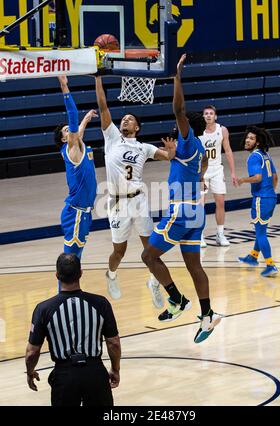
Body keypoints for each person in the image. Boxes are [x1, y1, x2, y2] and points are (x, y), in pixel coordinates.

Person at [142, 54, 221, 344]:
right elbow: (199, 171)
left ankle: (177, 299)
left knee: (148, 256)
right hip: (196, 212)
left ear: (186, 127)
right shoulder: (197, 149)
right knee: (194, 266)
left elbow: (178, 108)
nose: (176, 127)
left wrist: (177, 75)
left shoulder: (188, 139)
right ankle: (208, 314)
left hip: (182, 210)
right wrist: (175, 159)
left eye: (180, 125)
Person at [95, 76, 176, 307]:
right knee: (119, 252)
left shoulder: (144, 147)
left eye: (130, 119)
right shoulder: (111, 138)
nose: (125, 120)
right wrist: (98, 78)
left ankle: (154, 282)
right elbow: (103, 106)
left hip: (139, 201)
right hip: (117, 203)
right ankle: (111, 274)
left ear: (137, 127)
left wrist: (171, 150)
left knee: (150, 250)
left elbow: (169, 157)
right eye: (124, 119)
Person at [25, 253, 121, 407]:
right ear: (81, 273)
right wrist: (115, 369)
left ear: (57, 275)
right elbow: (113, 342)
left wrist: (30, 372)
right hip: (95, 372)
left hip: (64, 376)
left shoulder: (43, 309)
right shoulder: (101, 303)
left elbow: (32, 352)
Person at [54, 76, 98, 263]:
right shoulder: (72, 147)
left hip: (84, 212)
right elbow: (73, 116)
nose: (71, 131)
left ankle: (73, 292)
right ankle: (64, 293)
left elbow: (78, 131)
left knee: (76, 260)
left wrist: (87, 119)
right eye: (66, 131)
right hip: (76, 212)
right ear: (65, 139)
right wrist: (64, 87)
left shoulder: (76, 145)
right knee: (69, 262)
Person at [237, 126, 279, 277]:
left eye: (252, 138)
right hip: (271, 197)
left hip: (261, 199)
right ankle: (253, 256)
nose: (247, 140)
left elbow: (257, 177)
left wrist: (242, 180)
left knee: (261, 233)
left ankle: (270, 265)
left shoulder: (254, 157)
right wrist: (270, 192)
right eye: (247, 137)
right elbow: (275, 177)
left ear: (258, 142)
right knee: (260, 229)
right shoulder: (266, 155)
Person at [199, 105, 238, 247]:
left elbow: (228, 151)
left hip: (217, 169)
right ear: (203, 116)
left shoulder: (222, 130)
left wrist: (233, 172)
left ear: (215, 116)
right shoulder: (197, 131)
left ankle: (220, 234)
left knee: (220, 202)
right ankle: (199, 235)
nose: (208, 115)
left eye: (211, 113)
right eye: (206, 114)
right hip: (201, 171)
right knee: (200, 204)